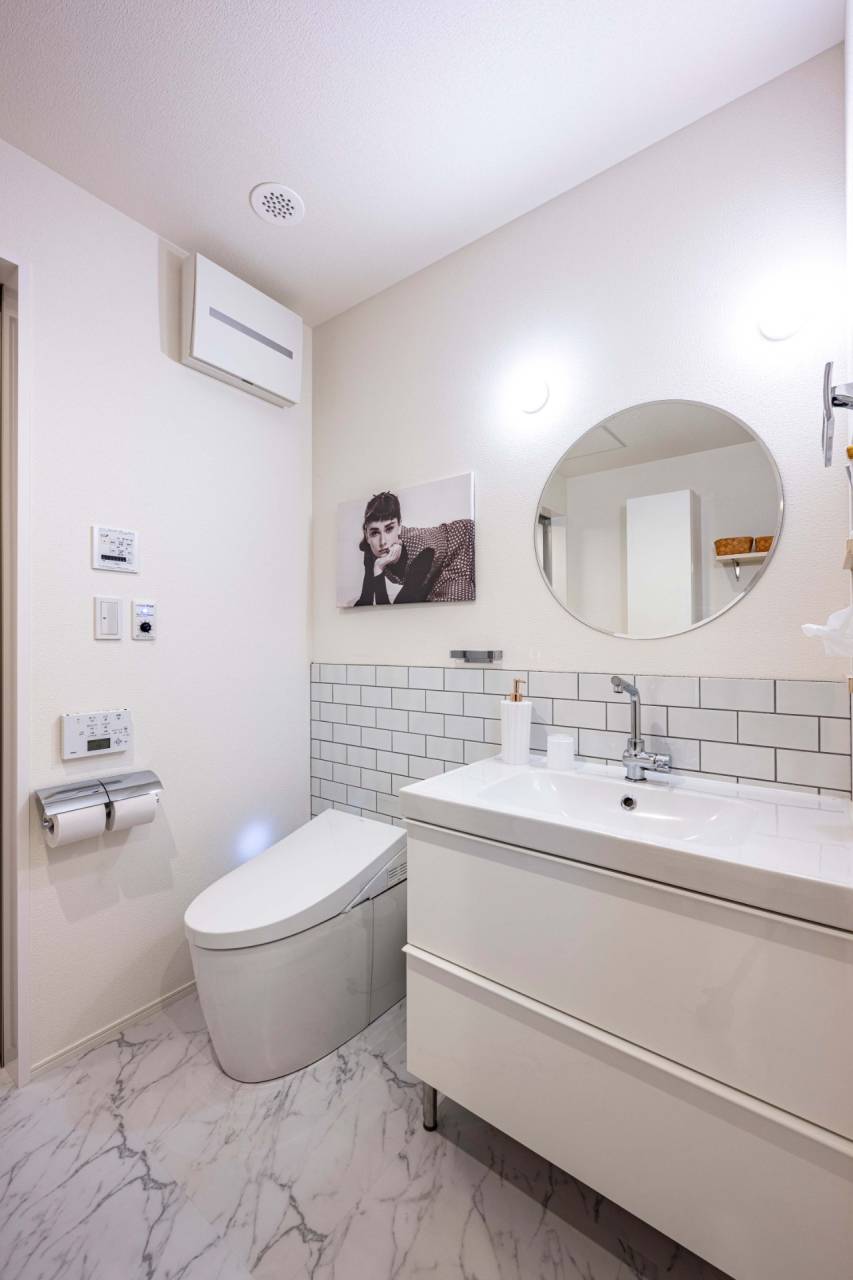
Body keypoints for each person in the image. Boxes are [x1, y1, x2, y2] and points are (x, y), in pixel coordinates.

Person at [354, 491, 475, 606]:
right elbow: (365, 600)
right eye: (375, 532)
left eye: (389, 529)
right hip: (430, 573)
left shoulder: (421, 551)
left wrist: (378, 567)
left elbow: (397, 610)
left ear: (399, 526)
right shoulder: (372, 547)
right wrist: (378, 567)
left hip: (462, 545)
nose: (382, 542)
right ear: (367, 534)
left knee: (451, 603)